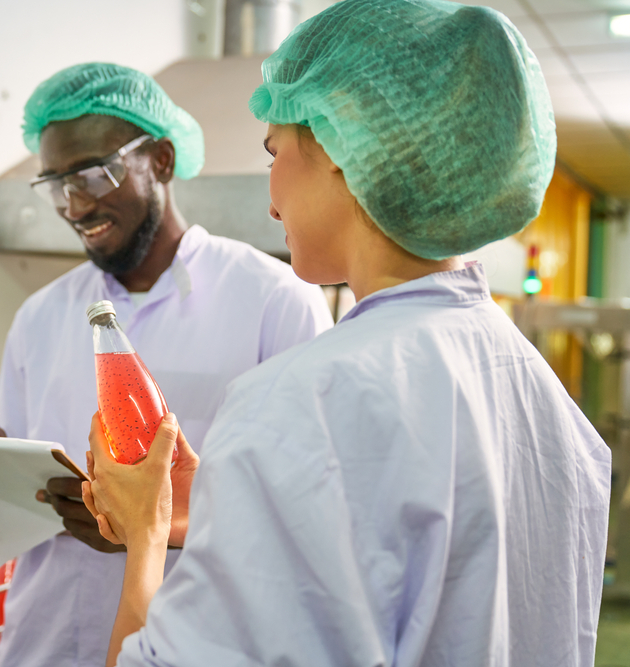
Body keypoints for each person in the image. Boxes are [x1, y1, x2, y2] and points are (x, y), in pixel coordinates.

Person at [82, 2, 613, 665]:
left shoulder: (299, 403)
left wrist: (145, 531)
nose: (270, 199)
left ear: (340, 142)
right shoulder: (555, 413)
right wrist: (223, 497)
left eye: (274, 151)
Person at [0, 63, 334, 666]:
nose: (73, 204)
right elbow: (22, 503)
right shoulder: (39, 318)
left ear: (162, 161)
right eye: (55, 184)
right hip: (42, 646)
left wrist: (148, 525)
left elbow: (309, 515)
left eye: (93, 174)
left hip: (192, 651)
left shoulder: (273, 301)